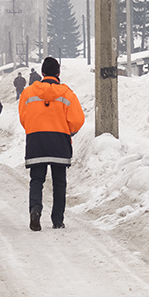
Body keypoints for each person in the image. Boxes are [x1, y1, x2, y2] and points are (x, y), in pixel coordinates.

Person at [19, 57, 85, 231]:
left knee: (36, 180)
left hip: (36, 141)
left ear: (42, 73)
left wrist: (34, 128)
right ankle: (57, 220)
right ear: (58, 73)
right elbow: (78, 120)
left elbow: (23, 118)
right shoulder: (67, 93)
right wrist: (67, 129)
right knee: (59, 183)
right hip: (59, 142)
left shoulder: (28, 93)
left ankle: (35, 210)